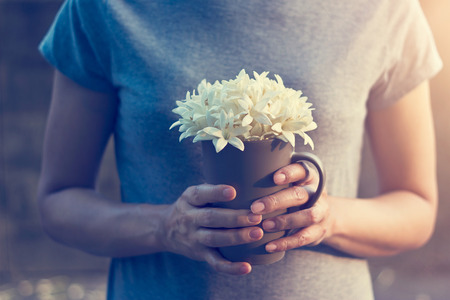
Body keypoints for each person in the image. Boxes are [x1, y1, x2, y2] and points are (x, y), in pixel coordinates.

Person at [37, 0, 442, 299]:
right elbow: (59, 200)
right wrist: (165, 227)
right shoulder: (102, 10)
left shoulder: (385, 12)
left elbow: (416, 207)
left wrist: (328, 217)